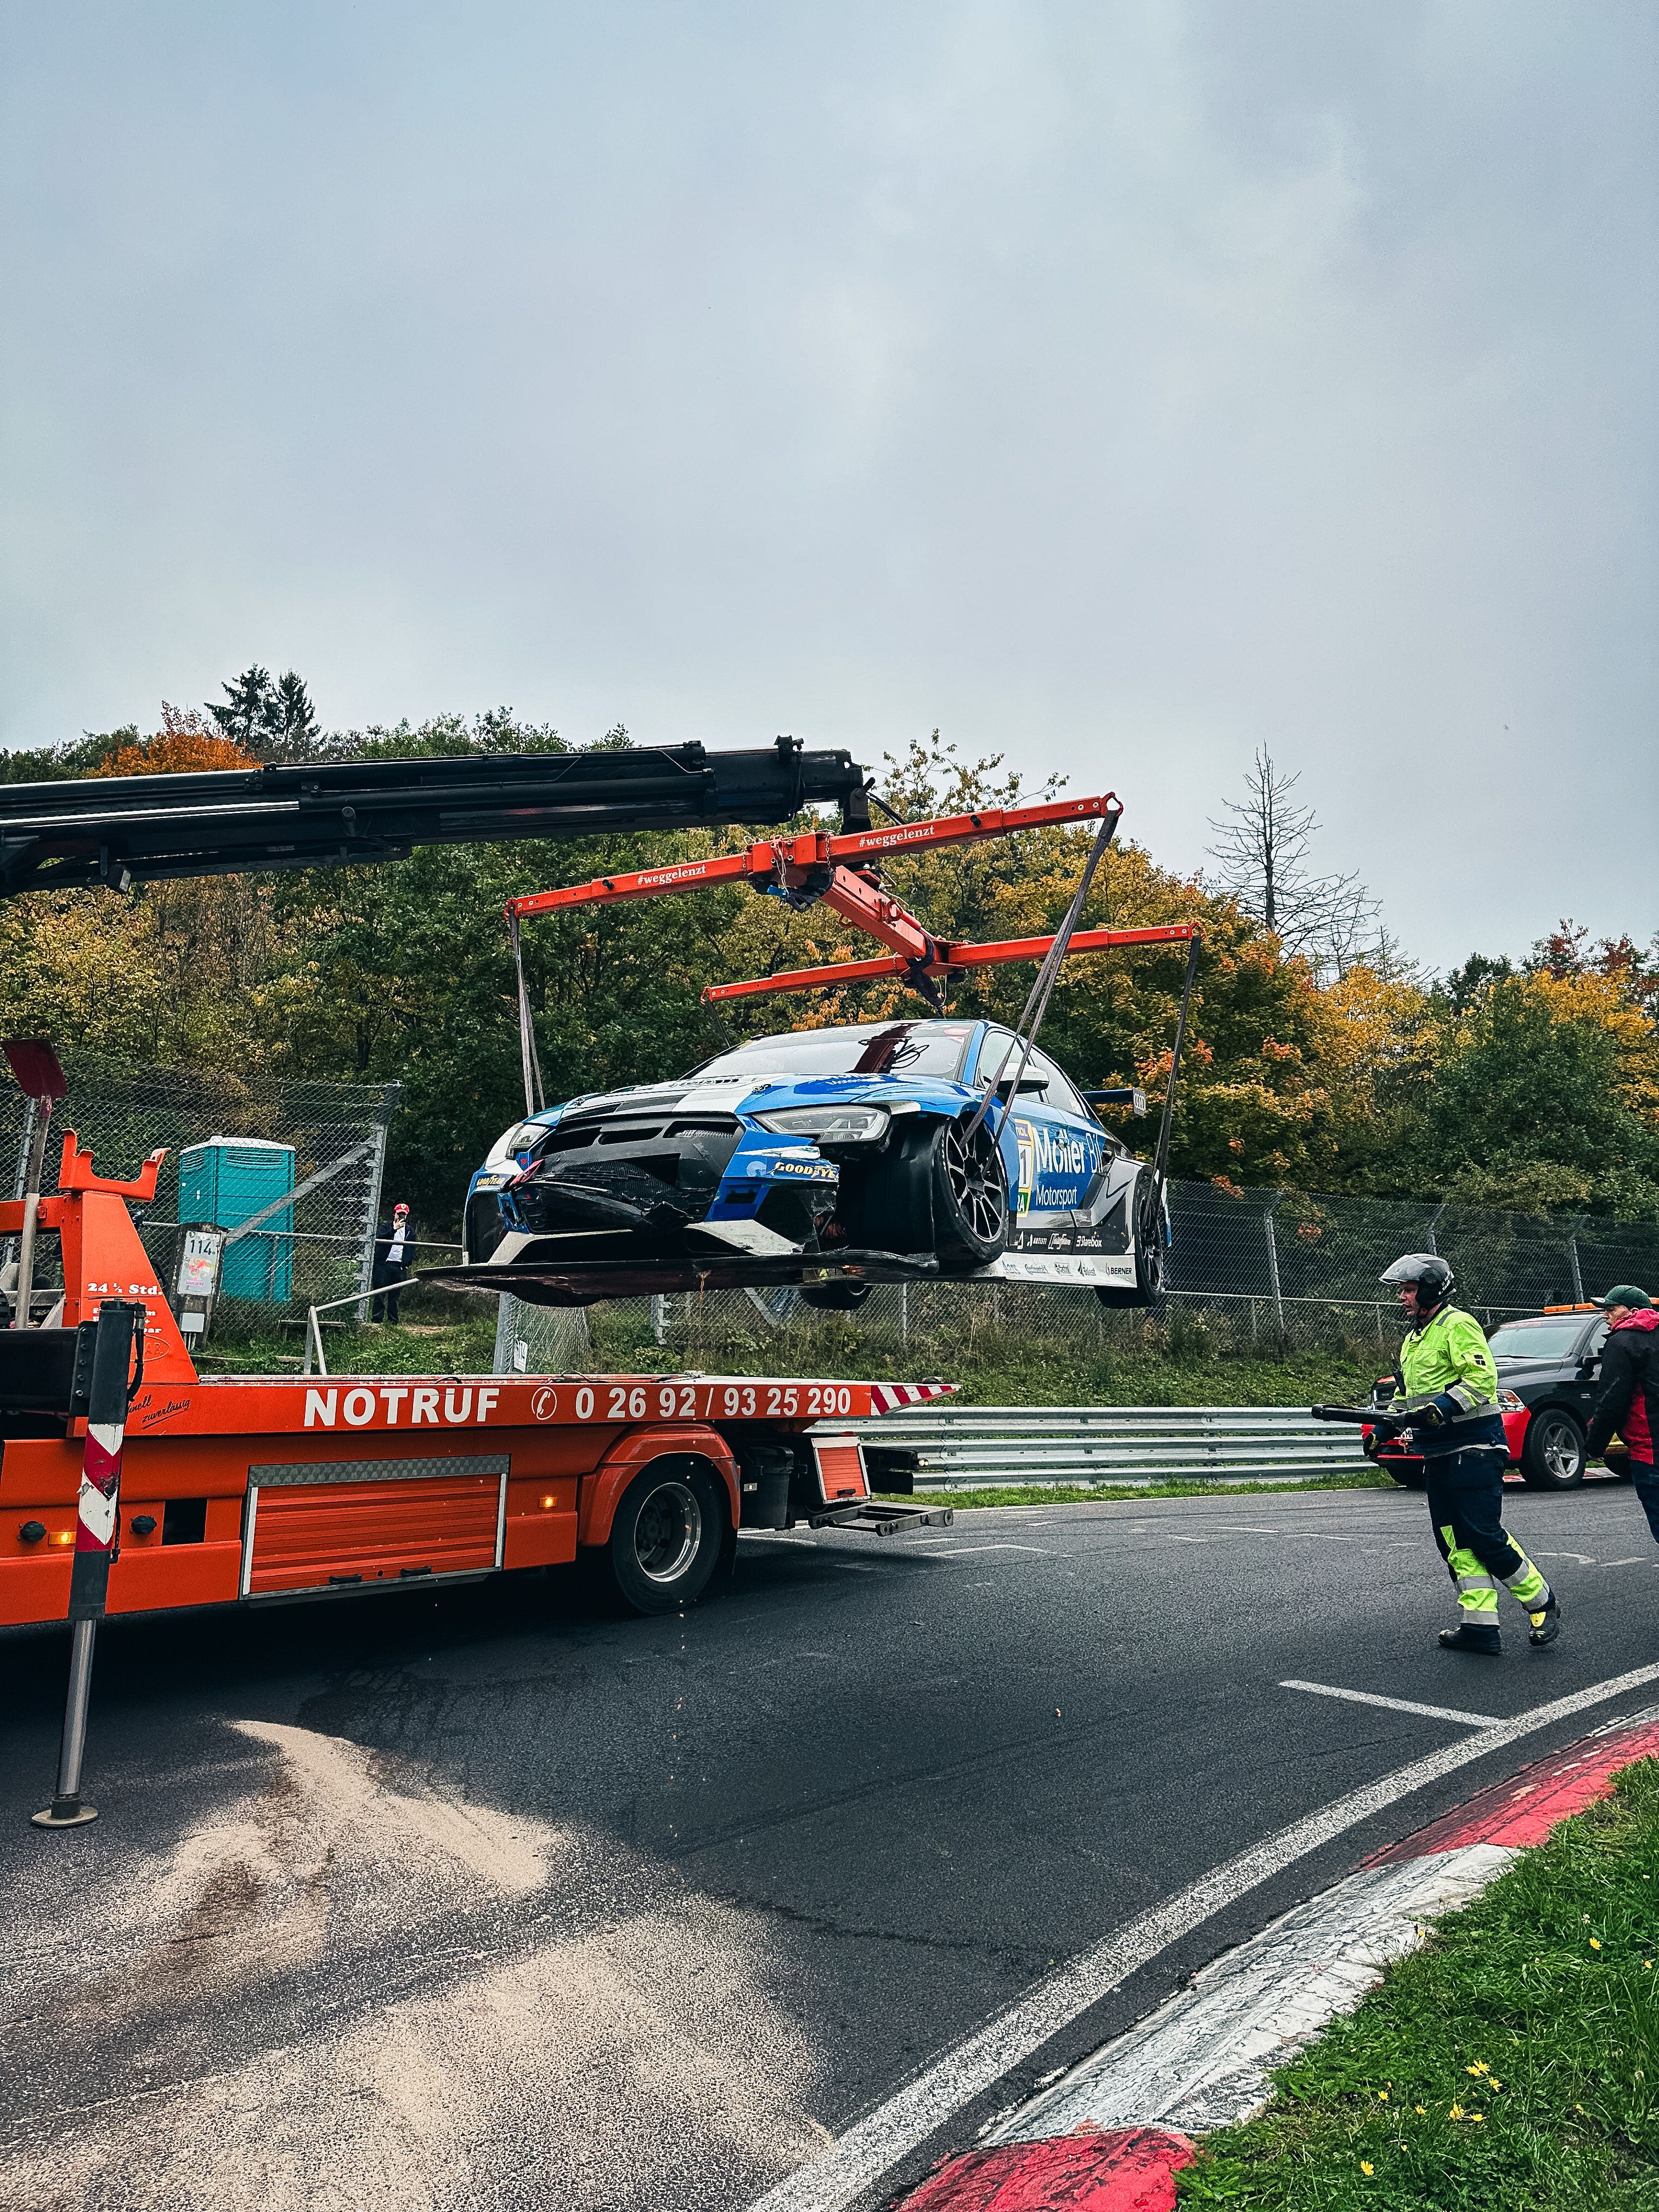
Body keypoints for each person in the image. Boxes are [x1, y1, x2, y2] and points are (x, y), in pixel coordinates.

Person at [1376, 1252, 1560, 1655]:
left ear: (1429, 1290)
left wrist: (1444, 1406)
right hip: (1438, 1453)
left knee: (1481, 1533)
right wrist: (1382, 1426)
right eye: (1402, 1291)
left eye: (1408, 1290)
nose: (1403, 1298)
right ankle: (1480, 1627)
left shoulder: (1457, 1324)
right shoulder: (1414, 1338)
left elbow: (1481, 1379)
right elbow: (1408, 1395)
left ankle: (1541, 1601)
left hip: (1474, 1447)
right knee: (1453, 1540)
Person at [1585, 1285, 1659, 1546]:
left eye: (1611, 1309)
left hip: (1649, 1452)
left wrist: (1594, 1446)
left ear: (1634, 1312)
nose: (1605, 1315)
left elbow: (1612, 1402)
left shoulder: (1622, 1342)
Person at [370, 1201, 414, 1323]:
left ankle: (393, 1321)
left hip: (399, 1266)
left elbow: (411, 1248)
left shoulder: (410, 1231)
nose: (401, 1217)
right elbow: (380, 1239)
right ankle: (377, 1320)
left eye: (403, 1215)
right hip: (384, 1264)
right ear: (394, 1214)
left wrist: (407, 1264)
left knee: (395, 1296)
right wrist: (394, 1230)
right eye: (399, 1214)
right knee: (380, 1293)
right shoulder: (386, 1227)